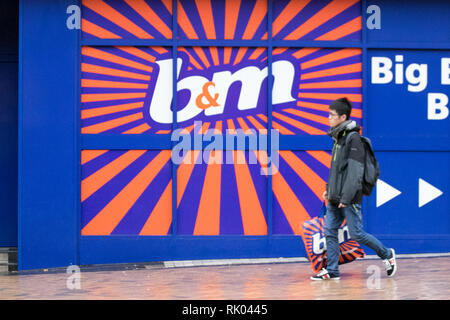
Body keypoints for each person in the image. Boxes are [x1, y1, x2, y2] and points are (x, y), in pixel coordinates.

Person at [310, 97, 397, 281]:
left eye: (332, 115)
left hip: (348, 198)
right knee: (330, 232)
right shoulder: (338, 138)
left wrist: (346, 197)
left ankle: (387, 254)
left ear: (343, 117)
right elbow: (336, 170)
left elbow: (355, 172)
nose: (329, 118)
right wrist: (329, 189)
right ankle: (332, 271)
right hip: (336, 196)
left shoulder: (353, 139)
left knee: (357, 233)